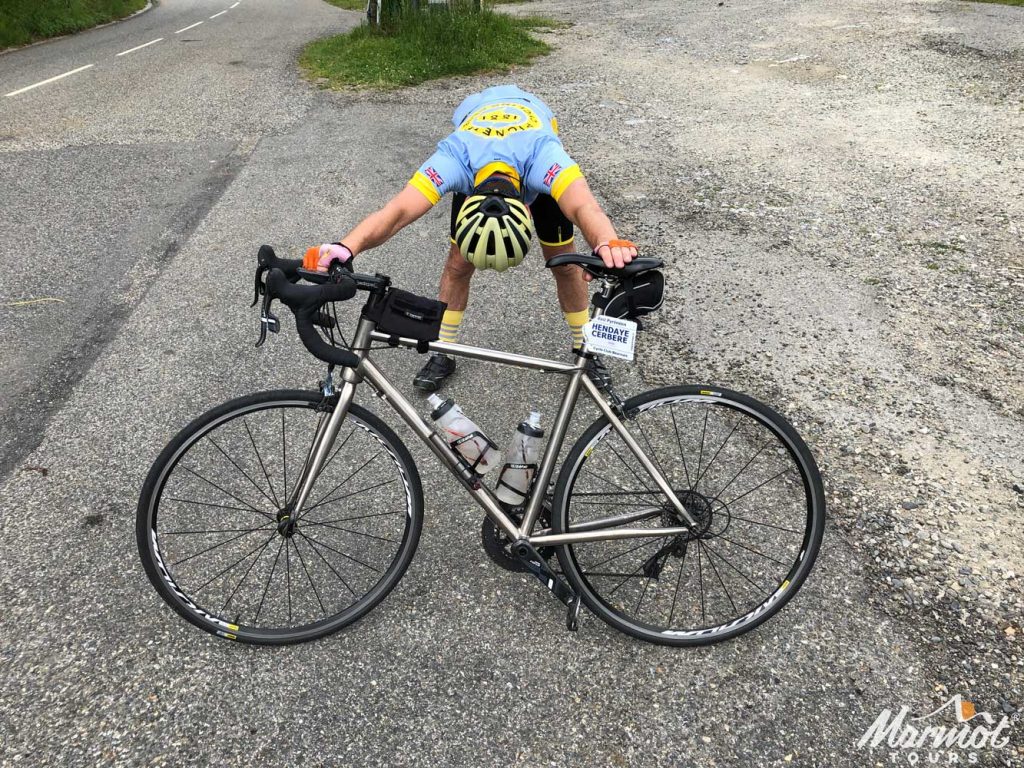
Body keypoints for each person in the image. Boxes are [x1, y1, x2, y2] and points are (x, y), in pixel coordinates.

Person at [307, 84, 637, 391]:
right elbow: (396, 213)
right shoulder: (454, 159)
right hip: (479, 124)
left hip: (529, 126)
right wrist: (345, 247)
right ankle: (443, 351)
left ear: (527, 208)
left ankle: (586, 349)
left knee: (563, 263)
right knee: (457, 263)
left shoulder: (545, 158)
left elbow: (583, 208)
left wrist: (607, 241)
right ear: (468, 199)